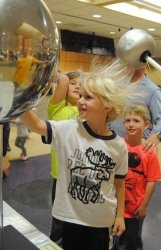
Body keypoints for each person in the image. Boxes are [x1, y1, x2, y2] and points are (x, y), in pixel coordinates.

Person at [21, 58, 136, 250]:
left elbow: (119, 184)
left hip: (101, 223)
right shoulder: (67, 130)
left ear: (107, 105)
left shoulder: (118, 146)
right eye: (81, 95)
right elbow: (36, 125)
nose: (80, 101)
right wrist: (20, 97)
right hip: (68, 219)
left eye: (88, 98)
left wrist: (119, 216)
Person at [119, 104, 161, 250]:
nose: (131, 124)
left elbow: (152, 180)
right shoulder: (118, 145)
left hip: (135, 208)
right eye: (128, 120)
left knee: (133, 241)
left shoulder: (149, 152)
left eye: (136, 121)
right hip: (116, 206)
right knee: (117, 239)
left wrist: (144, 206)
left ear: (146, 124)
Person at [48, 71, 82, 244]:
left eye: (81, 85)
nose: (78, 86)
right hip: (60, 176)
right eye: (74, 83)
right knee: (58, 221)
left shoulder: (86, 109)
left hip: (79, 175)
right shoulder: (57, 108)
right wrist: (68, 77)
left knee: (75, 219)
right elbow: (62, 80)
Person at [109, 66, 161, 152]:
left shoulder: (152, 90)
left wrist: (156, 135)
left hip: (137, 149)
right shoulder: (117, 85)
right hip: (114, 144)